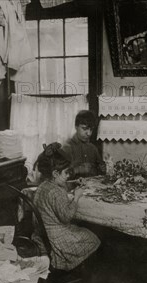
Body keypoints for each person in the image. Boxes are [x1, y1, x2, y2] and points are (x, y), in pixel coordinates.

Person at [32, 142, 101, 271]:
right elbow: (67, 216)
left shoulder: (44, 186)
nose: (69, 175)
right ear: (55, 174)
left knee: (83, 230)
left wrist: (74, 183)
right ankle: (85, 274)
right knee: (93, 238)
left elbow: (61, 185)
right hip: (56, 239)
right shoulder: (56, 193)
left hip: (43, 234)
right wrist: (76, 197)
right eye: (66, 173)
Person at [62, 110, 105, 178]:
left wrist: (103, 168)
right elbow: (59, 176)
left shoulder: (93, 148)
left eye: (91, 129)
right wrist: (77, 170)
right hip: (72, 187)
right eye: (85, 129)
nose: (89, 133)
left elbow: (100, 172)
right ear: (76, 127)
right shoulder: (67, 147)